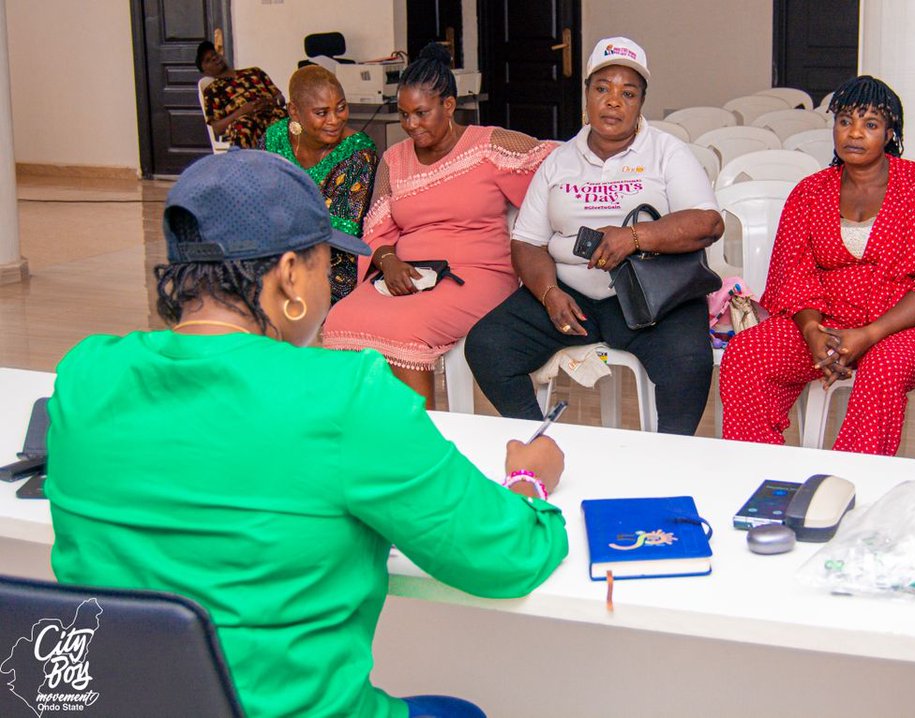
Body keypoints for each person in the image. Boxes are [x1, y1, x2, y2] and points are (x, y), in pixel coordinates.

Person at [46, 149, 569, 718]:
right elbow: (507, 558)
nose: (332, 284)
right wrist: (528, 482)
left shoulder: (83, 375)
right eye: (328, 265)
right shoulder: (346, 395)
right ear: (292, 274)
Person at [465, 37, 724, 436]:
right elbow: (527, 242)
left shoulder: (666, 152)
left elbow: (708, 223)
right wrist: (549, 293)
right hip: (571, 298)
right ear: (586, 95)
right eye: (602, 88)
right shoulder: (559, 161)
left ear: (641, 102)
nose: (614, 101)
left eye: (628, 92)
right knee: (488, 345)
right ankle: (541, 442)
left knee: (689, 362)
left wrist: (634, 237)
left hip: (653, 296)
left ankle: (672, 462)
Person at [719, 75, 915, 454]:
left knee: (884, 364)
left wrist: (869, 335)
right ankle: (756, 470)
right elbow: (794, 277)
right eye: (845, 121)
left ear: (890, 133)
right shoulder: (810, 192)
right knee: (747, 354)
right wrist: (813, 334)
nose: (854, 133)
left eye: (870, 124)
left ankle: (851, 483)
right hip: (831, 323)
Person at [322, 44, 555, 406]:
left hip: (479, 274)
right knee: (340, 319)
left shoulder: (489, 146)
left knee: (406, 329)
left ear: (448, 106)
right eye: (403, 115)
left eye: (421, 113)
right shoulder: (393, 160)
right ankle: (367, 438)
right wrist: (389, 262)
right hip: (405, 274)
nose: (411, 125)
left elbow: (556, 169)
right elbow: (378, 230)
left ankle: (421, 442)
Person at [261, 65, 378, 303]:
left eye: (341, 108)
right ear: (294, 111)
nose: (335, 120)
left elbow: (342, 228)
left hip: (330, 261)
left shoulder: (358, 153)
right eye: (321, 113)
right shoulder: (274, 137)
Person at [195, 40, 287, 149]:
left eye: (214, 54)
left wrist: (271, 102)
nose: (214, 58)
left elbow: (280, 98)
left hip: (273, 115)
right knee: (244, 126)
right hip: (247, 125)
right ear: (205, 72)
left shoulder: (254, 72)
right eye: (208, 60)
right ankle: (249, 164)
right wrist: (242, 111)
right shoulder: (213, 91)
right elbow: (218, 128)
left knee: (294, 119)